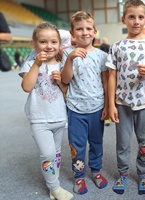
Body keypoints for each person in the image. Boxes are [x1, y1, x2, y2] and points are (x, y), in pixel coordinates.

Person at [106, 0, 145, 195]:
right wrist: (111, 104)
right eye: (131, 17)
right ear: (124, 19)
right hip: (122, 103)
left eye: (140, 17)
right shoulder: (117, 46)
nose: (136, 21)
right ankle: (122, 173)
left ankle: (143, 173)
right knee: (122, 142)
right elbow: (111, 77)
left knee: (144, 141)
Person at [19, 22, 73, 200]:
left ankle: (52, 182)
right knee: (48, 154)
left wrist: (60, 82)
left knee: (56, 153)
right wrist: (36, 64)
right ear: (34, 43)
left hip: (58, 116)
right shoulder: (30, 63)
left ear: (59, 43)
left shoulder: (61, 63)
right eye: (43, 42)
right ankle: (55, 187)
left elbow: (66, 91)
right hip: (39, 118)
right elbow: (27, 87)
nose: (49, 46)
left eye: (53, 42)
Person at [60, 11, 109, 195]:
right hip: (75, 109)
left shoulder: (102, 56)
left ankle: (96, 171)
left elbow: (106, 83)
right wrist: (71, 58)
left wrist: (107, 105)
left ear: (94, 31)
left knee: (96, 143)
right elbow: (65, 80)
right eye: (79, 29)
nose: (85, 32)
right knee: (77, 145)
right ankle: (79, 175)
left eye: (88, 28)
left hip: (97, 108)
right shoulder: (67, 55)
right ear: (73, 34)